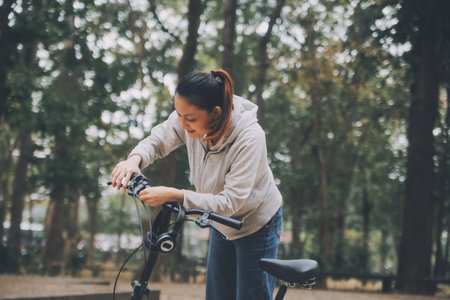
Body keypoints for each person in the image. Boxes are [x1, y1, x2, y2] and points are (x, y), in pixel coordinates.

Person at [111, 69, 283, 300]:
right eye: (179, 114)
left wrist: (176, 195)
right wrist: (134, 160)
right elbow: (158, 139)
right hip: (221, 224)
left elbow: (230, 202)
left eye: (190, 119)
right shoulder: (187, 120)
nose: (182, 124)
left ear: (215, 113)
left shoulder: (249, 138)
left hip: (256, 223)